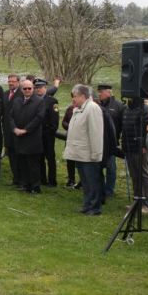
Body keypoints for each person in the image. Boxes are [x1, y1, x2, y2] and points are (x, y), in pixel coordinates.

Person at [63, 84, 104, 215]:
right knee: (85, 183)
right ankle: (87, 204)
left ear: (82, 96)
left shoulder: (92, 108)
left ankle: (95, 207)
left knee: (92, 182)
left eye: (75, 96)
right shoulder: (78, 109)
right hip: (80, 154)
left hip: (89, 154)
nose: (73, 99)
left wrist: (96, 153)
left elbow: (96, 132)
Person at [9, 79, 45, 193]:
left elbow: (39, 118)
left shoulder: (39, 101)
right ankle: (25, 184)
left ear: (33, 89)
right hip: (19, 137)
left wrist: (26, 130)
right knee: (22, 163)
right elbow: (10, 117)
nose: (27, 90)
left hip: (32, 138)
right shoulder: (17, 101)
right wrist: (14, 128)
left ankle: (35, 186)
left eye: (30, 88)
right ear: (21, 89)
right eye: (25, 88)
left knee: (33, 164)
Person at [121, 97, 148, 210]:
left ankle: (147, 204)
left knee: (143, 175)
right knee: (134, 175)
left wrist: (144, 145)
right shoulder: (126, 109)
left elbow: (147, 128)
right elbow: (124, 128)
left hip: (140, 148)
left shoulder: (144, 109)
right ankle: (137, 201)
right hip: (128, 148)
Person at [97, 84, 126, 198]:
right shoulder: (97, 105)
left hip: (111, 142)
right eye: (98, 92)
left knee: (111, 168)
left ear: (109, 92)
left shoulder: (119, 106)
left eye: (101, 92)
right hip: (98, 141)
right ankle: (100, 188)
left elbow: (124, 125)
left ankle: (109, 190)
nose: (99, 94)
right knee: (98, 167)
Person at [34, 79, 59, 187]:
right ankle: (42, 179)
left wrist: (48, 133)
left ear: (45, 88)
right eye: (36, 88)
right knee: (40, 158)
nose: (38, 89)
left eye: (40, 87)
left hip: (48, 135)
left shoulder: (52, 101)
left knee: (50, 159)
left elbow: (54, 122)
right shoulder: (34, 100)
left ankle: (52, 181)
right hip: (37, 135)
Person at [3, 73, 23, 185]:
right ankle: (15, 178)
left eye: (13, 81)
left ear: (18, 82)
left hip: (17, 129)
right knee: (11, 155)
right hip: (7, 130)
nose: (10, 83)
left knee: (18, 156)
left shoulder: (21, 94)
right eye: (9, 81)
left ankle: (21, 179)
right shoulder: (6, 94)